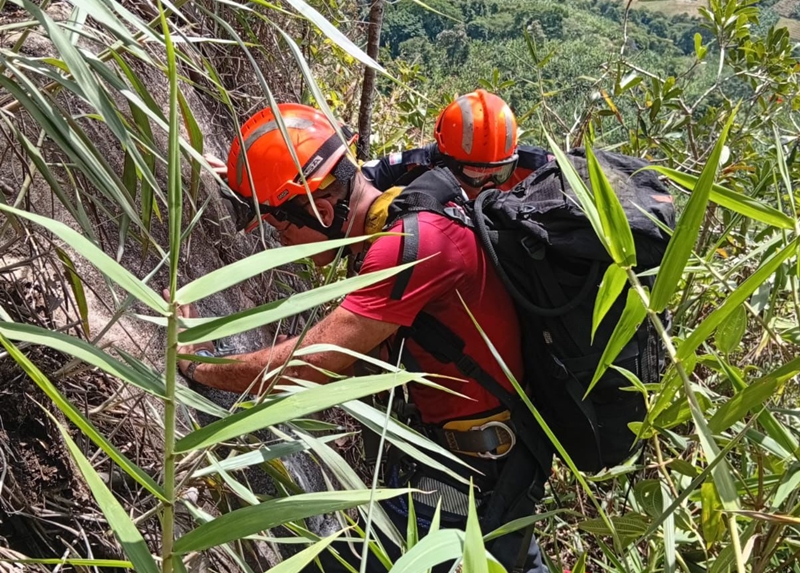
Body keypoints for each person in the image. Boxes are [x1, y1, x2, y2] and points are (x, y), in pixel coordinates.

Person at [171, 103, 552, 573]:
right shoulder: (395, 216)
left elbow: (310, 363)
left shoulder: (410, 246)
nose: (282, 243)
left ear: (322, 208)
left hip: (467, 482)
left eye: (280, 225)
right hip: (476, 465)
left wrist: (195, 364)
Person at [361, 89, 553, 196]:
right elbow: (360, 180)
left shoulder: (534, 166)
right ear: (447, 160)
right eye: (474, 174)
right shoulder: (417, 166)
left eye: (500, 173)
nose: (486, 184)